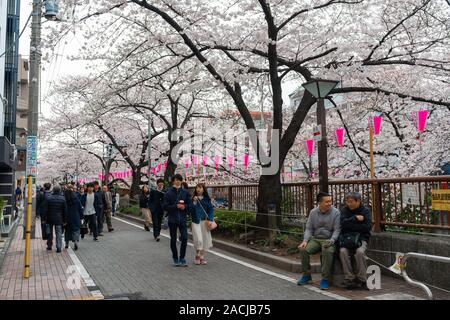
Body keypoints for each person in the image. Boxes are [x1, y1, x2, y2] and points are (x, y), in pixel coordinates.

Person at [297, 192, 341, 290]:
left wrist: (332, 240)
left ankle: (325, 278)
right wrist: (305, 240)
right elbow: (309, 228)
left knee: (327, 251)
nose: (330, 203)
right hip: (316, 239)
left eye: (330, 201)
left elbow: (337, 229)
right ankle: (306, 275)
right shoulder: (313, 212)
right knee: (303, 249)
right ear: (319, 203)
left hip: (329, 240)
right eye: (327, 202)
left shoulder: (336, 212)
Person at [339, 192, 372, 290]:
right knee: (343, 252)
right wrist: (355, 218)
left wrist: (350, 224)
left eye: (351, 202)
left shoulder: (365, 211)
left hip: (361, 239)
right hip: (347, 239)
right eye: (347, 202)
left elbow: (367, 227)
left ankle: (362, 279)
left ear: (358, 201)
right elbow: (342, 224)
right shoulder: (344, 210)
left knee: (360, 252)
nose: (349, 204)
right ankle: (350, 279)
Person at [163, 174, 193, 267]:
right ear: (173, 181)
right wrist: (175, 206)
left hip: (183, 219)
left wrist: (185, 207)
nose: (178, 181)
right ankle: (175, 258)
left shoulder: (185, 192)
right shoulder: (168, 193)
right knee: (173, 239)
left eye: (179, 180)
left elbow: (190, 205)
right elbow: (165, 206)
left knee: (184, 238)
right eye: (176, 180)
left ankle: (182, 258)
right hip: (172, 219)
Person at [190, 183, 214, 265]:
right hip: (195, 221)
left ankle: (202, 256)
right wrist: (194, 202)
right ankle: (197, 255)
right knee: (198, 239)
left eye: (200, 187)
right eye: (196, 188)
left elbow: (211, 210)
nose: (198, 189)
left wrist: (210, 219)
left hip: (204, 221)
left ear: (203, 189)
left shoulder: (207, 199)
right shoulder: (193, 199)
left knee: (204, 239)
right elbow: (190, 210)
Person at [41, 185, 68, 253]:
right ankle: (58, 247)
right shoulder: (63, 199)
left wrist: (43, 219)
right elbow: (65, 211)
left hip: (49, 218)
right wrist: (65, 220)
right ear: (59, 191)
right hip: (59, 218)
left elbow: (45, 209)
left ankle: (49, 245)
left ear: (53, 190)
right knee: (58, 233)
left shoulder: (48, 198)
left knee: (49, 233)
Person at [64, 185, 84, 250]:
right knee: (76, 230)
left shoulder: (65, 200)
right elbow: (80, 209)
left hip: (67, 217)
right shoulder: (76, 199)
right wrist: (81, 217)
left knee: (67, 230)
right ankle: (75, 241)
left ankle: (67, 244)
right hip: (76, 217)